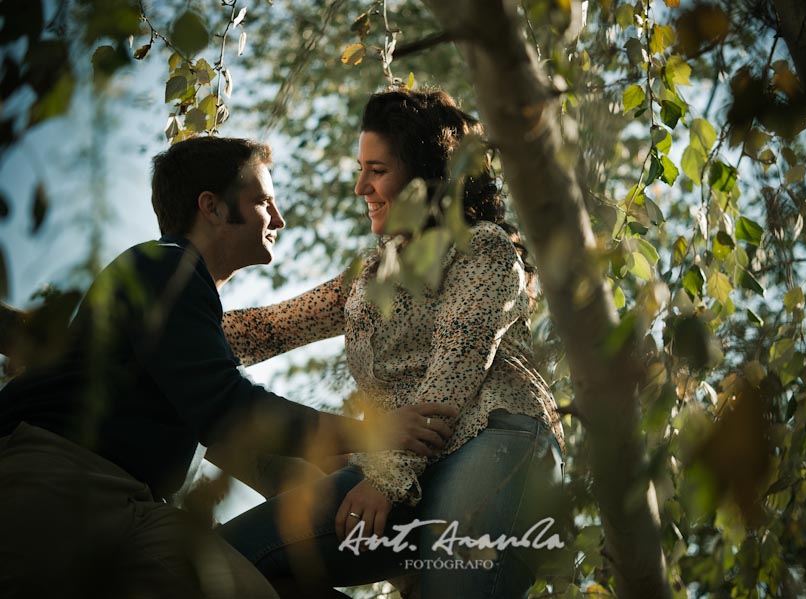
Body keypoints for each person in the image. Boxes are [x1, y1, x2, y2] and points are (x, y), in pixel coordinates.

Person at [0, 136, 456, 599]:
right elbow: (228, 409)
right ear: (212, 207)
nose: (279, 219)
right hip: (57, 479)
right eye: (263, 201)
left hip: (139, 506)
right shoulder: (163, 267)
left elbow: (243, 391)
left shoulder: (188, 303)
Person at [217, 89, 566, 598]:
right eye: (362, 169)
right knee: (227, 559)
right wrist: (166, 323)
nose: (361, 186)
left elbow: (457, 362)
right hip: (405, 465)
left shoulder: (483, 246)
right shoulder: (371, 273)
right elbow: (270, 328)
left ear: (427, 175)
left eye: (376, 170)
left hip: (495, 440)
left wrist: (388, 477)